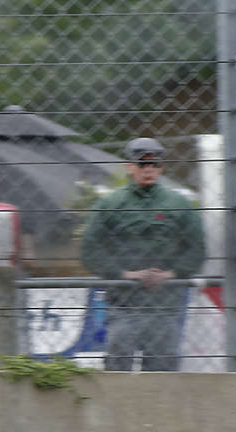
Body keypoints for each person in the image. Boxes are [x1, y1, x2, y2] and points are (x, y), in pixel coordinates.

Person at [80, 139, 205, 372]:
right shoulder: (110, 204)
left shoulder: (179, 204)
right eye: (142, 164)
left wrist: (170, 274)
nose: (149, 170)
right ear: (129, 166)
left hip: (165, 307)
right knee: (118, 364)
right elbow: (90, 250)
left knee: (162, 372)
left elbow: (197, 250)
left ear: (161, 167)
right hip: (124, 305)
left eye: (154, 165)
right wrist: (126, 274)